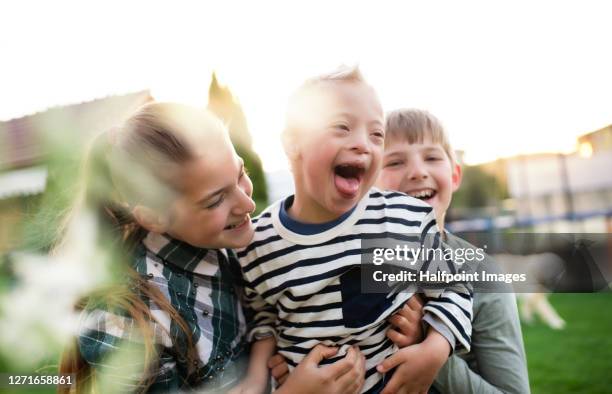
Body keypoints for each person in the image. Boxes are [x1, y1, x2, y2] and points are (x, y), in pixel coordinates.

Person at [58, 102, 366, 393]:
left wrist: (416, 336)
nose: (247, 203)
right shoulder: (123, 321)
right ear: (153, 216)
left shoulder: (237, 245)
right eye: (216, 200)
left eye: (241, 173)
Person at [236, 67, 473, 394]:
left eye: (377, 134)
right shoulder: (257, 242)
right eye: (341, 127)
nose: (363, 144)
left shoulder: (404, 217)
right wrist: (258, 375)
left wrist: (435, 349)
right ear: (293, 142)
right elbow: (262, 316)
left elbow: (452, 288)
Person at [376, 108, 530, 393]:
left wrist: (429, 351)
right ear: (368, 184)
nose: (418, 172)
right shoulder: (343, 261)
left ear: (455, 174)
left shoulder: (484, 275)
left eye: (432, 158)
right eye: (395, 162)